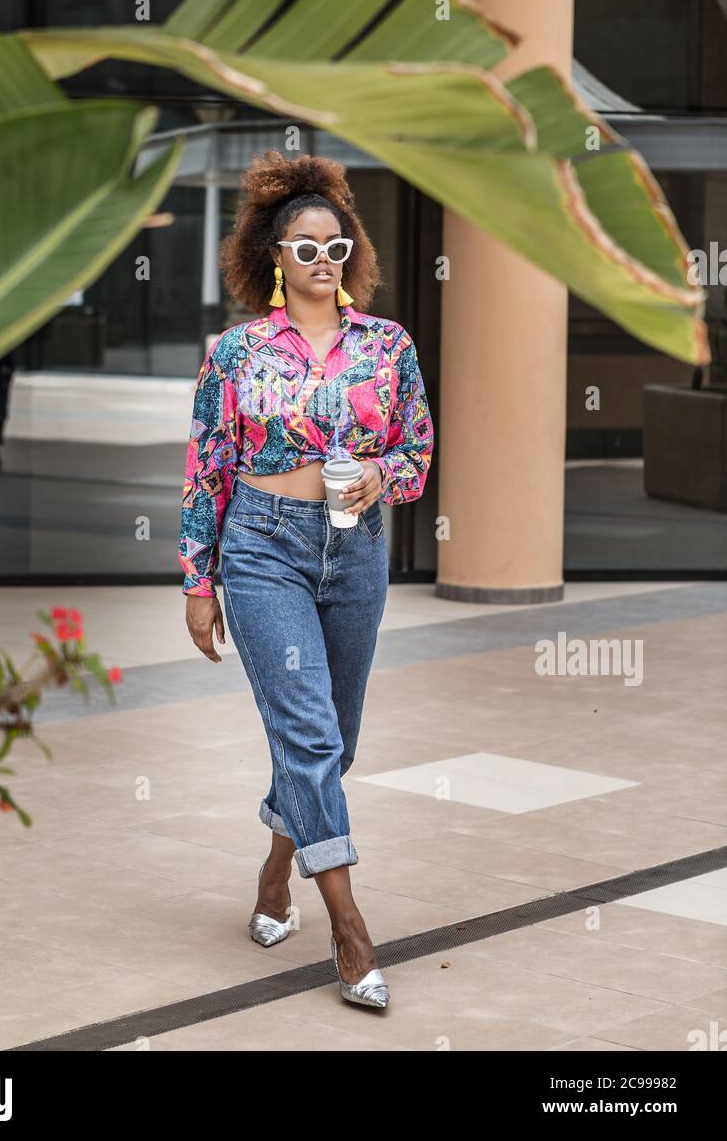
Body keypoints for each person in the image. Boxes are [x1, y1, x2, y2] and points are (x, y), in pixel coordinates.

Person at [179, 151, 434, 1009]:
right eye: (303, 248)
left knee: (337, 740)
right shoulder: (236, 352)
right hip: (261, 549)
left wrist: (381, 476)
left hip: (354, 549)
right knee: (311, 740)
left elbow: (418, 450)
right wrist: (197, 580)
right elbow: (207, 468)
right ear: (272, 257)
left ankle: (276, 868)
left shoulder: (387, 346)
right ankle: (351, 930)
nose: (322, 262)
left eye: (335, 246)